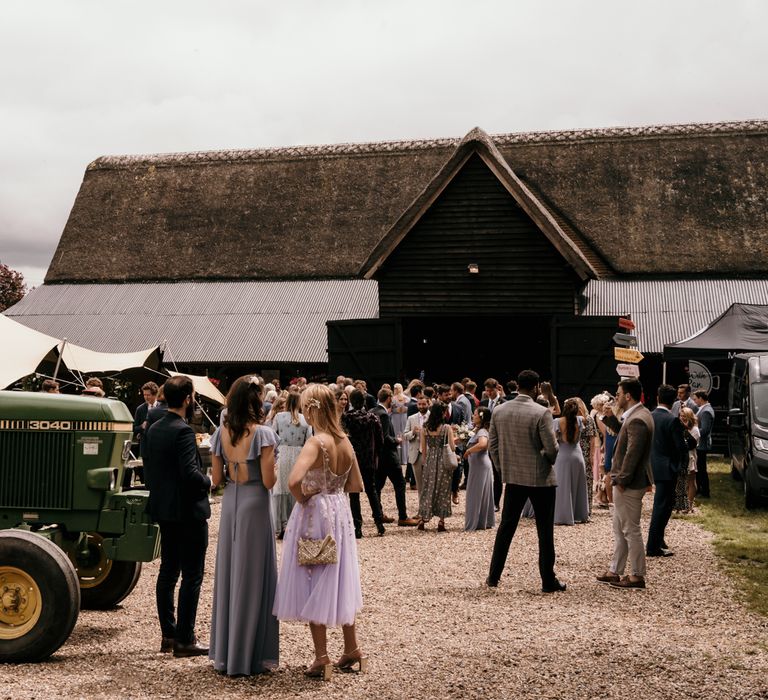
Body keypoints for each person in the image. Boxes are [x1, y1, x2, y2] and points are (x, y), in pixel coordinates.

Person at [273, 384, 367, 680]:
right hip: (340, 512)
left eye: (303, 408)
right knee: (339, 577)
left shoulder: (316, 443)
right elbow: (356, 486)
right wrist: (332, 490)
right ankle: (352, 649)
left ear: (312, 409)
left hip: (315, 513)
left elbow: (292, 481)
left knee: (313, 576)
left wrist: (306, 499)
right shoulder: (345, 442)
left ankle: (321, 657)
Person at [209, 376, 279, 676]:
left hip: (231, 503)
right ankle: (248, 657)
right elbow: (268, 481)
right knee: (253, 578)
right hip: (255, 502)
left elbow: (215, 480)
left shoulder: (220, 431)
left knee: (230, 575)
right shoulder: (263, 434)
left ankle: (228, 654)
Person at [144, 375, 211, 656]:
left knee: (168, 570)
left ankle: (168, 635)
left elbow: (148, 468)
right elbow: (190, 473)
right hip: (187, 508)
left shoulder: (154, 428)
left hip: (164, 506)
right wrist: (210, 481)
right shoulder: (183, 431)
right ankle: (185, 638)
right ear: (187, 399)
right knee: (192, 574)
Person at [486, 370, 563, 593]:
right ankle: (548, 580)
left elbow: (493, 446)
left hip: (514, 478)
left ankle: (493, 576)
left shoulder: (499, 411)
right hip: (541, 478)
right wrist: (550, 457)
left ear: (517, 386)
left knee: (506, 528)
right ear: (537, 387)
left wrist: (503, 470)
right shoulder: (541, 412)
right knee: (544, 531)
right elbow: (551, 447)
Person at [596, 379, 654, 590]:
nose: (616, 397)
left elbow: (633, 453)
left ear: (628, 396)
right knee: (620, 528)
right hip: (628, 482)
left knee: (630, 529)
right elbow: (626, 435)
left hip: (629, 484)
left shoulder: (638, 419)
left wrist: (620, 480)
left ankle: (637, 575)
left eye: (619, 394)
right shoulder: (638, 415)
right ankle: (615, 570)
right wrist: (611, 420)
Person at [646, 384, 689, 557]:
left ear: (658, 398)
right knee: (662, 507)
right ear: (674, 401)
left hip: (651, 465)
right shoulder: (672, 420)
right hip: (667, 468)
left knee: (662, 505)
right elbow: (680, 448)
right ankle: (652, 546)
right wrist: (681, 468)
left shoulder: (649, 416)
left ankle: (659, 539)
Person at [371, 388, 419, 526]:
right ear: (388, 399)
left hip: (378, 457)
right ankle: (403, 517)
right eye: (391, 398)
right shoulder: (384, 415)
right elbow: (385, 438)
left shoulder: (372, 411)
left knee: (378, 486)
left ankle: (378, 514)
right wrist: (397, 440)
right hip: (388, 457)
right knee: (400, 484)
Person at [343, 389, 386, 537]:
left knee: (354, 492)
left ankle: (357, 527)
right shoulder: (372, 418)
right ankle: (379, 522)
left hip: (353, 459)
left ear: (351, 401)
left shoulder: (347, 418)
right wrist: (376, 454)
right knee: (371, 490)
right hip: (368, 459)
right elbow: (380, 440)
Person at [272, 391, 312, 539]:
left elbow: (273, 438)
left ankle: (281, 525)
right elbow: (309, 440)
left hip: (282, 453)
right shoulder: (305, 419)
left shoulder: (278, 417)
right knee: (295, 487)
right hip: (298, 455)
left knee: (281, 489)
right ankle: (295, 523)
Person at [417, 400, 456, 532]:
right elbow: (452, 447)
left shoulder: (425, 428)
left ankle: (423, 519)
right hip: (443, 461)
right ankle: (441, 521)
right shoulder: (446, 428)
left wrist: (425, 463)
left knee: (428, 489)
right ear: (442, 414)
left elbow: (423, 449)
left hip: (430, 461)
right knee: (443, 489)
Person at [552, 398, 590, 525]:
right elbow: (586, 417)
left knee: (563, 486)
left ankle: (563, 515)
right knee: (578, 485)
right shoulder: (579, 420)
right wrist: (579, 408)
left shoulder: (557, 421)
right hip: (577, 456)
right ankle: (578, 513)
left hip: (563, 456)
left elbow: (552, 439)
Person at [463, 407, 495, 531]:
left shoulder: (482, 431)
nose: (472, 416)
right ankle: (483, 520)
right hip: (478, 465)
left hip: (480, 465)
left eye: (475, 414)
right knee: (480, 492)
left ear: (481, 417)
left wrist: (468, 451)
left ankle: (475, 522)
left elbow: (482, 444)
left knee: (475, 493)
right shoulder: (477, 430)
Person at [403, 396, 430, 493]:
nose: (421, 406)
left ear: (428, 404)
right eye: (419, 404)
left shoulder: (433, 417)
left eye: (424, 404)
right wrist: (413, 432)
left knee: (429, 482)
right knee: (419, 484)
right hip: (415, 454)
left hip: (429, 452)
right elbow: (405, 436)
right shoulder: (411, 418)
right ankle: (421, 506)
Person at [677, 407, 700, 511]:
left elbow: (690, 445)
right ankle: (680, 504)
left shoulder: (695, 430)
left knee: (691, 480)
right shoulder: (679, 428)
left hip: (690, 456)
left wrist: (684, 429)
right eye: (680, 416)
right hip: (680, 456)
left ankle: (690, 504)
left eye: (684, 416)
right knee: (680, 480)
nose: (682, 418)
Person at [693, 390, 714, 498]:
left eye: (695, 399)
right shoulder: (703, 409)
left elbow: (705, 430)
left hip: (702, 444)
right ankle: (700, 489)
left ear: (701, 398)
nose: (694, 401)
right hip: (700, 444)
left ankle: (705, 492)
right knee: (699, 468)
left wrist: (693, 432)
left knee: (701, 469)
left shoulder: (706, 411)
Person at [390, 383, 409, 466]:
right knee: (396, 435)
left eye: (397, 388)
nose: (396, 390)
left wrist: (403, 409)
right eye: (395, 388)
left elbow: (408, 407)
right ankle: (397, 458)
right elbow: (391, 409)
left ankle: (405, 458)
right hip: (396, 418)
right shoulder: (392, 398)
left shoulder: (406, 398)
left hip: (403, 417)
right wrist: (396, 410)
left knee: (404, 435)